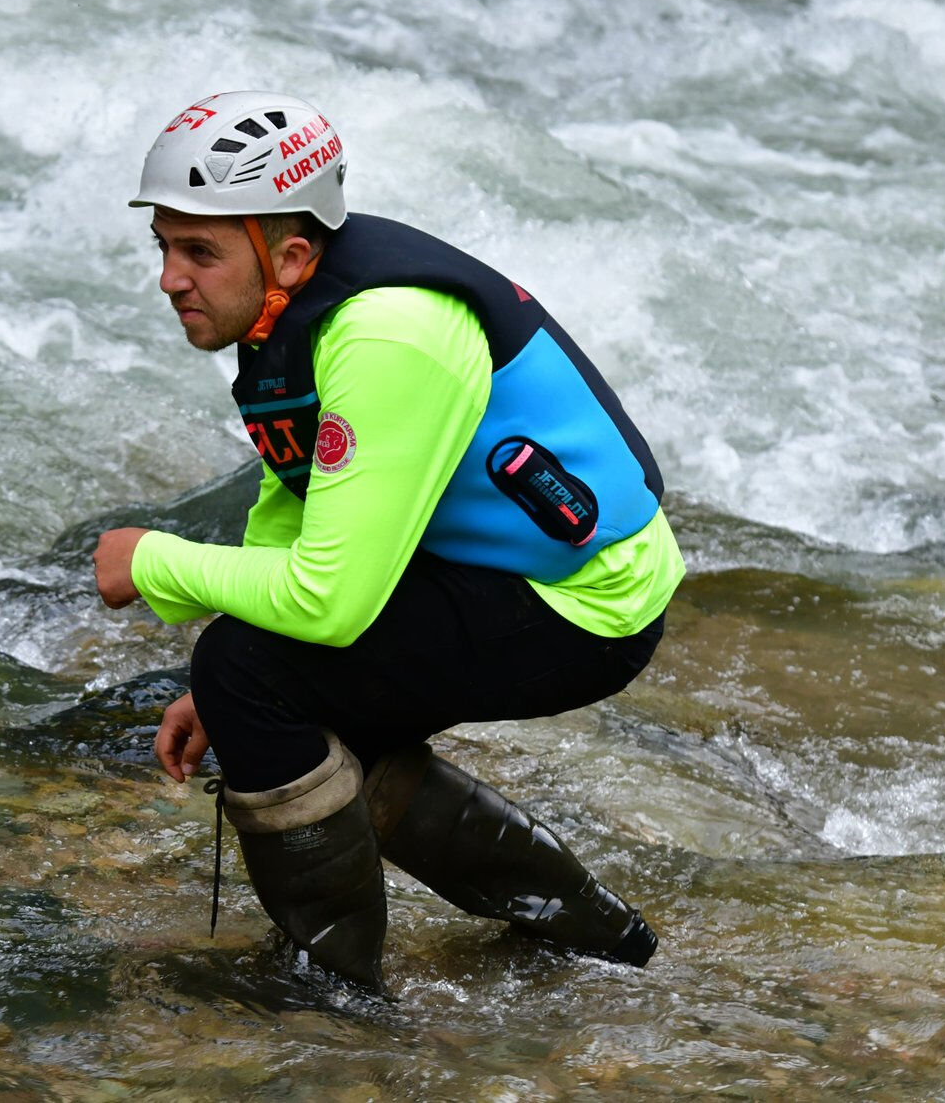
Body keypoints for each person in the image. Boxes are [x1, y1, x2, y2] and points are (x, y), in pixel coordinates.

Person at [92, 92, 682, 990]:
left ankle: (328, 991)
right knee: (251, 681)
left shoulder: (385, 334)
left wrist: (155, 561)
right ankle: (597, 939)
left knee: (252, 671)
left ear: (288, 252)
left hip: (585, 604)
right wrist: (224, 691)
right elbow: (293, 505)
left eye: (198, 251)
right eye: (164, 247)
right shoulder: (286, 311)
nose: (170, 278)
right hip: (509, 570)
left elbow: (330, 602)